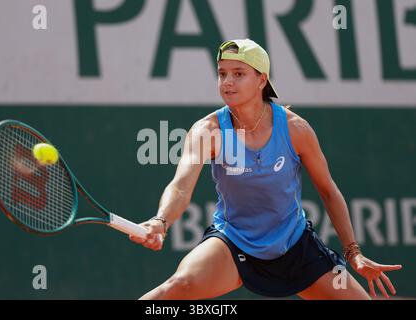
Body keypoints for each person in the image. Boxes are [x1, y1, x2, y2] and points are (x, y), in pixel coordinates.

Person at [129, 39, 402, 300]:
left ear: (262, 80)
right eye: (222, 74)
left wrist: (353, 253)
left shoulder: (296, 129)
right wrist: (161, 221)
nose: (228, 82)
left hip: (296, 246)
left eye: (238, 73)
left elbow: (328, 191)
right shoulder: (207, 131)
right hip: (234, 243)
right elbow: (180, 186)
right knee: (179, 285)